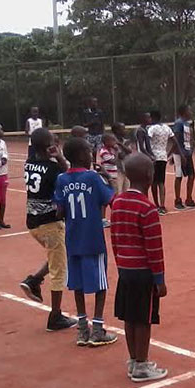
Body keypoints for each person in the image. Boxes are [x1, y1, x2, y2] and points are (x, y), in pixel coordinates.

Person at [54, 137, 118, 347]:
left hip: (72, 239)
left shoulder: (62, 179)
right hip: (92, 239)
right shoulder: (92, 177)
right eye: (89, 151)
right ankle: (97, 328)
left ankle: (82, 329)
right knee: (100, 284)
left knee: (78, 284)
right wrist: (108, 179)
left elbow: (59, 211)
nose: (91, 155)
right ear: (82, 155)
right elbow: (111, 200)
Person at [110, 153, 168, 383]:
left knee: (130, 316)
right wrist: (159, 279)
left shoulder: (117, 203)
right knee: (143, 319)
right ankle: (142, 366)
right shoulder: (147, 208)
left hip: (125, 269)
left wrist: (120, 265)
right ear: (149, 177)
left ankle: (134, 359)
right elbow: (154, 248)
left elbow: (115, 238)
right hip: (143, 272)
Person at [19, 128, 77, 331]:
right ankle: (55, 316)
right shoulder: (53, 169)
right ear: (49, 147)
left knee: (59, 255)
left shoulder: (29, 163)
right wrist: (59, 156)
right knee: (59, 270)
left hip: (33, 222)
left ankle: (34, 279)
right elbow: (69, 176)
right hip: (50, 223)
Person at [147, 110, 176, 215]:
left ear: (153, 117)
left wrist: (149, 153)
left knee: (154, 182)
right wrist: (169, 153)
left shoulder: (152, 128)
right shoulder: (167, 128)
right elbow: (175, 141)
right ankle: (162, 205)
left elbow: (147, 141)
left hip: (154, 157)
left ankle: (156, 204)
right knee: (161, 182)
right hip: (163, 157)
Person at [173, 104, 195, 210]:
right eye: (189, 110)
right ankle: (177, 200)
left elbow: (190, 139)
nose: (191, 112)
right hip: (179, 154)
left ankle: (189, 199)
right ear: (184, 112)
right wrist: (180, 153)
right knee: (179, 176)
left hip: (187, 153)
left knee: (191, 175)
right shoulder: (178, 123)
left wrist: (190, 150)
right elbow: (175, 139)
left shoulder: (187, 124)